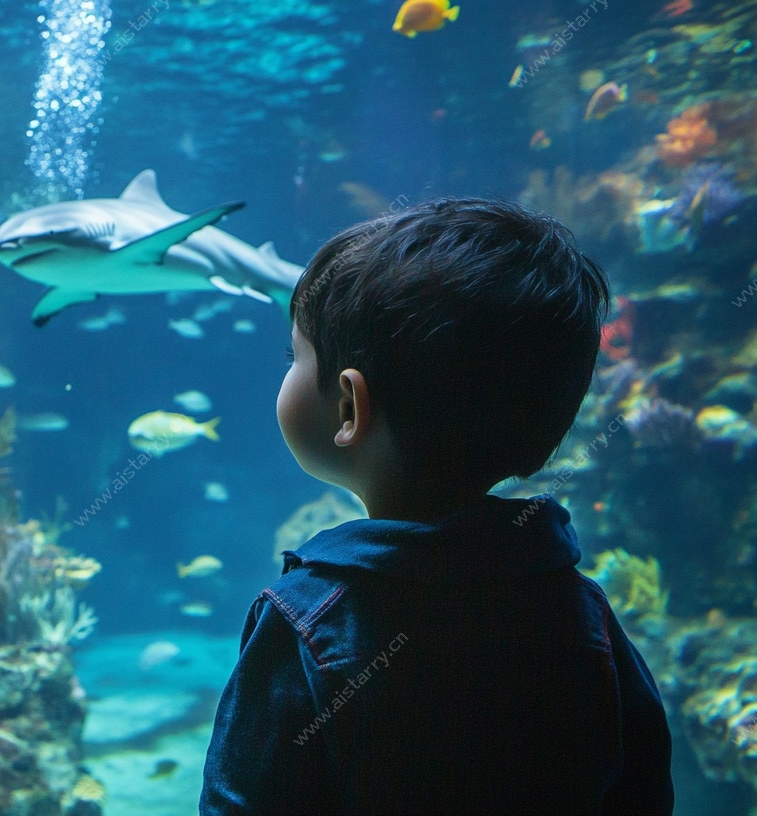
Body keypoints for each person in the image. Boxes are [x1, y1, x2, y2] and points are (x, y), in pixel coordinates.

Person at [200, 198, 673, 815]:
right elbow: (642, 790)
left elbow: (240, 804)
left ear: (349, 407)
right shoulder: (581, 612)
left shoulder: (305, 622)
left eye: (296, 355)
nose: (287, 371)